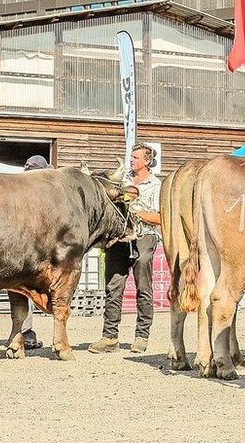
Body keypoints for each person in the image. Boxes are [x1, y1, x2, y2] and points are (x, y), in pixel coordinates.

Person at [89, 143, 162, 354]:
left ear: (147, 161)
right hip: (119, 237)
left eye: (136, 158)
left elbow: (159, 218)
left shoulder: (156, 185)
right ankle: (110, 337)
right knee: (113, 286)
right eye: (131, 157)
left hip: (144, 236)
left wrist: (136, 212)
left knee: (144, 288)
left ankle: (141, 336)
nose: (132, 160)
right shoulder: (122, 180)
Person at [18, 154, 51, 351]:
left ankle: (25, 332)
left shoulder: (48, 191)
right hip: (29, 250)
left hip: (36, 250)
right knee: (23, 289)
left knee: (25, 289)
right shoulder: (21, 191)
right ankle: (25, 332)